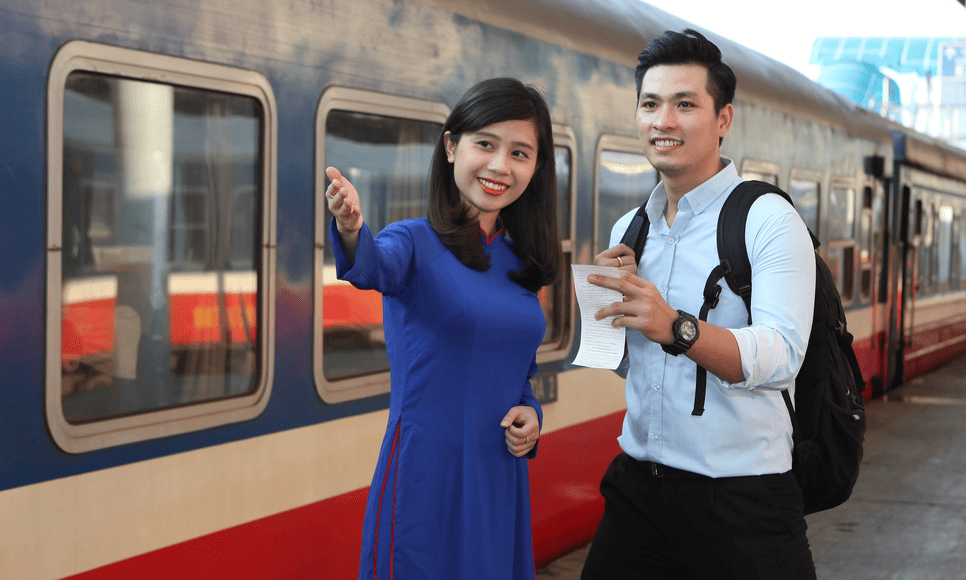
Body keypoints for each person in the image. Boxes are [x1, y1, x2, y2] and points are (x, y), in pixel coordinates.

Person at [579, 29, 818, 579]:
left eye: (685, 104)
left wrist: (677, 327)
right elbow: (631, 366)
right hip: (639, 488)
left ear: (723, 119)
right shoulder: (631, 228)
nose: (664, 121)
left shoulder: (766, 219)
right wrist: (608, 314)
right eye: (650, 104)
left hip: (741, 500)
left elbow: (782, 356)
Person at [325, 77, 563, 580]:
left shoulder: (521, 260)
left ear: (537, 168)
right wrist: (350, 230)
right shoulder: (412, 241)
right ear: (452, 146)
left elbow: (515, 373)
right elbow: (372, 267)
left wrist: (532, 413)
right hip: (427, 475)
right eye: (485, 144)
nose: (501, 166)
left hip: (498, 474)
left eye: (520, 153)